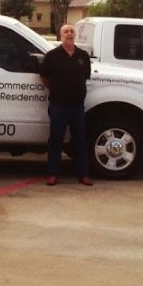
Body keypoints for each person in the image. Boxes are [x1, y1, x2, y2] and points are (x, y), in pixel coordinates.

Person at [40, 23, 93, 186]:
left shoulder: (83, 56)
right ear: (60, 35)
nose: (69, 34)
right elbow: (44, 77)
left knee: (80, 141)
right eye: (66, 31)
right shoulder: (52, 55)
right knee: (56, 140)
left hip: (77, 106)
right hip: (58, 106)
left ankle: (83, 174)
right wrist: (56, 89)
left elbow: (85, 77)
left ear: (74, 35)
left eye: (71, 31)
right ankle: (52, 174)